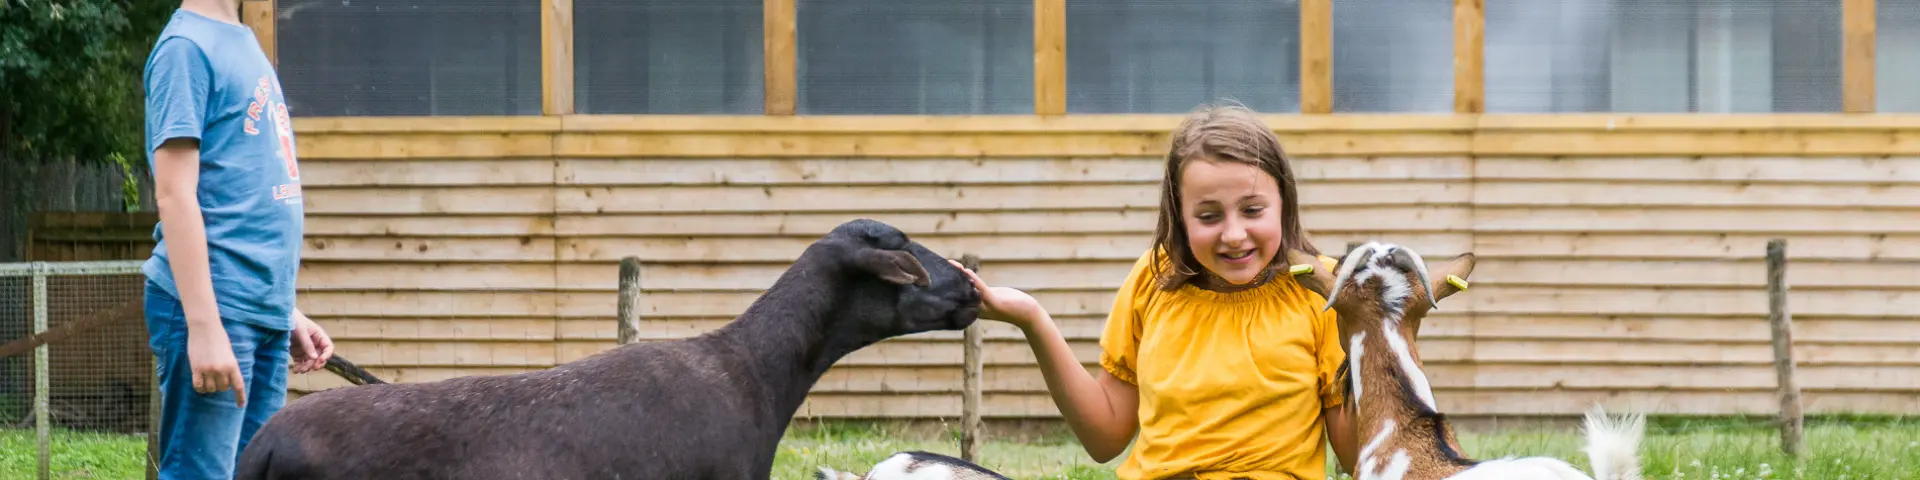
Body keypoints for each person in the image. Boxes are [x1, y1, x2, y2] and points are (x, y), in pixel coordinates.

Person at [950, 103, 1358, 480]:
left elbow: (1357, 457)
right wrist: (1030, 317)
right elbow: (1105, 437)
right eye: (1209, 215)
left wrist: (1375, 342)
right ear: (1180, 216)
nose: (1234, 235)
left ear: (1283, 202)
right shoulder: (1153, 279)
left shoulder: (1321, 290)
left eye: (1252, 210)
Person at [142, 1, 334, 478]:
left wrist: (283, 308)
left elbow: (241, 188)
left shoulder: (243, 40)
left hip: (257, 310)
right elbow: (174, 194)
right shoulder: (185, 49)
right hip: (216, 313)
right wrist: (205, 328)